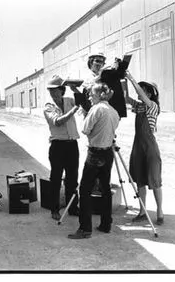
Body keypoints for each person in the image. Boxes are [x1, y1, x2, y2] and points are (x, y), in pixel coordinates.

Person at [68, 83, 120, 239]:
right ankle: (106, 224)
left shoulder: (96, 109)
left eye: (91, 94)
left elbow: (85, 130)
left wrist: (86, 115)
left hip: (95, 153)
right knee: (105, 189)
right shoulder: (114, 111)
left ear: (100, 95)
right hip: (108, 153)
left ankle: (85, 229)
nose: (89, 97)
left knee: (84, 191)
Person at [124, 71, 164, 225]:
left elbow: (138, 93)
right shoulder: (139, 107)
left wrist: (131, 78)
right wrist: (123, 79)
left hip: (150, 148)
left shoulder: (153, 106)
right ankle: (142, 211)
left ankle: (160, 211)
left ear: (148, 93)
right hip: (138, 146)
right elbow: (126, 97)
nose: (139, 93)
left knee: (155, 181)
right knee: (140, 180)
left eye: (142, 91)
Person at [43, 75, 81, 221]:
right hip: (57, 146)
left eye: (55, 90)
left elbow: (83, 101)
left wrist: (75, 88)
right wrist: (73, 111)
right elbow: (57, 122)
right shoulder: (49, 106)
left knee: (72, 179)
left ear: (62, 90)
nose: (53, 93)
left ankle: (73, 207)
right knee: (56, 178)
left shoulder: (69, 101)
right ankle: (54, 208)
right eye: (50, 90)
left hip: (72, 145)